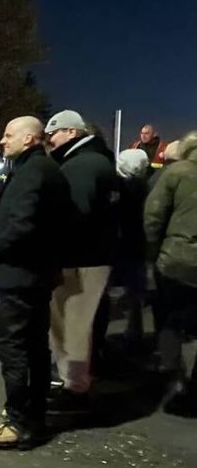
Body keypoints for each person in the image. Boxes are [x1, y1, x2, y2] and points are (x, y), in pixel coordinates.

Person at [0, 116, 74, 449]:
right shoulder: (43, 169)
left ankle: (17, 422)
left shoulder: (33, 172)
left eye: (8, 135)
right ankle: (33, 416)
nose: (2, 141)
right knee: (34, 346)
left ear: (30, 139)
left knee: (14, 346)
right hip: (36, 275)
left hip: (20, 275)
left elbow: (24, 221)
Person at [43, 110, 118, 414]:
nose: (51, 140)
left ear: (72, 133)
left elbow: (75, 212)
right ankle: (70, 380)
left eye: (54, 134)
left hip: (81, 256)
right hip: (89, 253)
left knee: (73, 322)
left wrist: (51, 247)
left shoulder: (83, 165)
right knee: (72, 321)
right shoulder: (94, 160)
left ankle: (75, 389)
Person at [145, 131, 197, 417]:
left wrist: (152, 254)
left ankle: (173, 378)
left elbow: (153, 216)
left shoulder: (176, 173)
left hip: (176, 260)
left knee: (169, 320)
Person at [92, 149, 149, 371]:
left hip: (115, 244)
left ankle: (101, 340)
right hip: (136, 245)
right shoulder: (147, 186)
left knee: (105, 294)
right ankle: (135, 333)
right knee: (135, 293)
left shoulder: (114, 186)